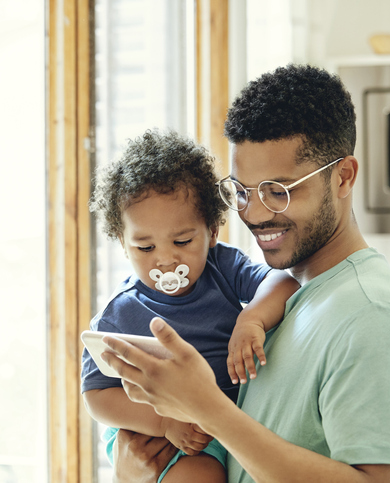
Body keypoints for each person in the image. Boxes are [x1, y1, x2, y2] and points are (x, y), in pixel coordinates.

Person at [102, 64, 390, 483]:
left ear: (343, 177)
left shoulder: (373, 317)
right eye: (242, 192)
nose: (256, 215)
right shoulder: (288, 299)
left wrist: (205, 407)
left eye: (278, 191)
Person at [81, 129, 300, 483]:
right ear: (122, 243)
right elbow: (96, 397)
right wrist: (165, 422)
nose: (166, 260)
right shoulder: (118, 314)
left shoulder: (222, 266)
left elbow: (284, 282)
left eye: (182, 241)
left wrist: (251, 318)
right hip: (155, 430)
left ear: (212, 231)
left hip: (217, 421)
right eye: (145, 248)